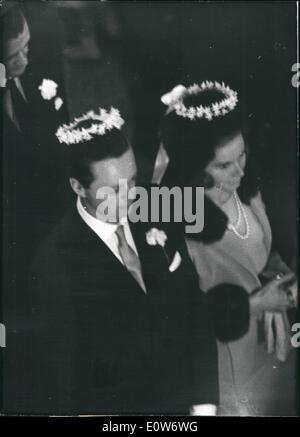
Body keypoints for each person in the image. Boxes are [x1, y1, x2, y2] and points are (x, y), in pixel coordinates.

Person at [3, 107, 219, 415]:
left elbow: (194, 306)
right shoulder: (53, 264)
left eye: (132, 180)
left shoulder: (157, 204)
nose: (131, 196)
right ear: (78, 187)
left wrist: (205, 404)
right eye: (113, 190)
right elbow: (63, 382)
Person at [158, 81, 297, 416]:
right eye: (224, 166)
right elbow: (176, 317)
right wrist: (251, 305)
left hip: (268, 346)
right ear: (194, 168)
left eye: (242, 155)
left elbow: (258, 250)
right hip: (222, 363)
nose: (240, 171)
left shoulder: (247, 186)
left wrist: (275, 272)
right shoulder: (172, 219)